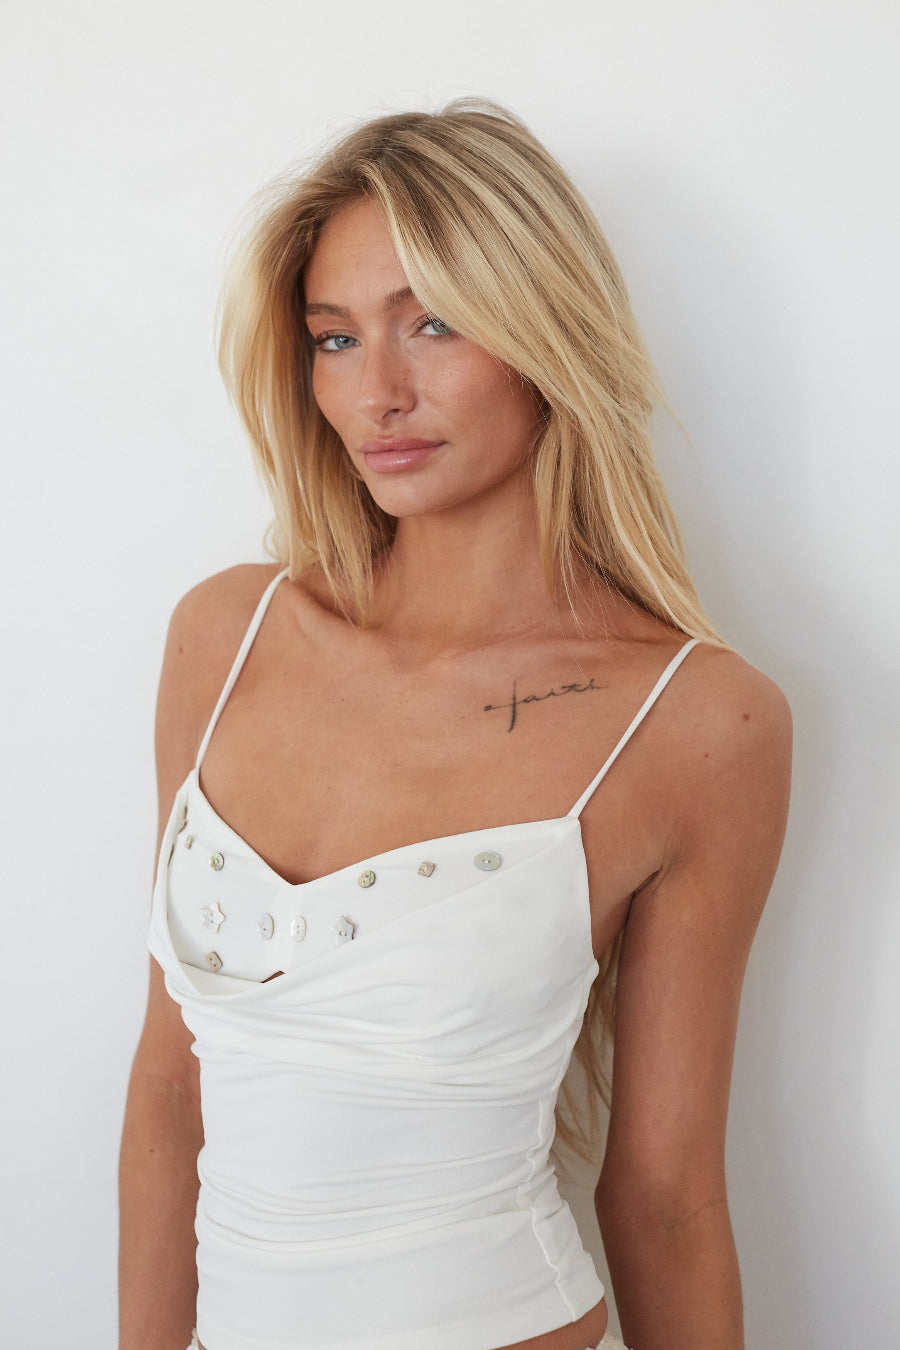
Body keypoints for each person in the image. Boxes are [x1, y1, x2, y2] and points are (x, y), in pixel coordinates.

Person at [118, 99, 792, 1350]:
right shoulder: (226, 637)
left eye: (432, 322)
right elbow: (170, 1087)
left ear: (544, 331)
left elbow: (667, 1198)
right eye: (334, 338)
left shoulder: (697, 721)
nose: (378, 392)